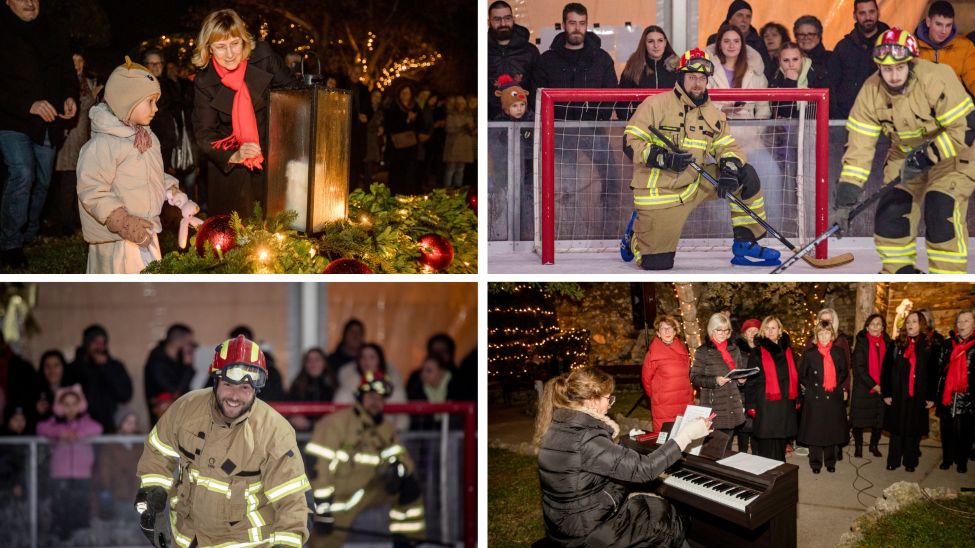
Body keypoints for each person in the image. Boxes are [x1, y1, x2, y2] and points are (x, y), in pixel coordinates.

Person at [135, 335, 310, 547]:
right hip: (187, 539)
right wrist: (153, 494)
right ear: (216, 380)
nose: (235, 396)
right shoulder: (186, 409)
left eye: (245, 388)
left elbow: (292, 503)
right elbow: (158, 451)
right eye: (228, 384)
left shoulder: (274, 432)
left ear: (256, 389)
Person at [829, 27, 975, 274]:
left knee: (941, 211)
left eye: (899, 68)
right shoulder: (870, 93)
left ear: (911, 61)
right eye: (887, 69)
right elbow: (858, 150)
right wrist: (845, 201)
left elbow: (966, 128)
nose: (893, 75)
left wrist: (929, 155)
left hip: (952, 153)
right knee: (891, 213)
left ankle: (947, 275)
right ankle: (898, 272)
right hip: (905, 155)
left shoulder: (937, 77)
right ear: (878, 67)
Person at [623, 48, 780, 270]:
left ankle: (746, 244)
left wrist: (729, 168)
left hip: (695, 182)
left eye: (702, 78)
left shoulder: (713, 114)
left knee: (746, 175)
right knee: (657, 265)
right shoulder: (655, 104)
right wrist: (663, 159)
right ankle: (636, 237)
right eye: (691, 77)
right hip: (661, 193)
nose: (697, 83)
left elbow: (727, 146)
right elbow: (630, 143)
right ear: (680, 78)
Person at [534, 367, 711, 547]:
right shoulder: (587, 438)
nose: (610, 404)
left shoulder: (558, 426)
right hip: (586, 534)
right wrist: (686, 436)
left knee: (649, 504)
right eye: (608, 398)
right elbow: (645, 469)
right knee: (668, 518)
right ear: (591, 400)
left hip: (563, 525)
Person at [77, 56, 201, 273]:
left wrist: (172, 191)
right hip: (117, 238)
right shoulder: (104, 144)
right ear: (127, 101)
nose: (155, 108)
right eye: (149, 102)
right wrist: (122, 221)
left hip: (146, 229)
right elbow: (92, 190)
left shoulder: (146, 138)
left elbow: (151, 174)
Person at [192, 9, 299, 216]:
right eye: (221, 47)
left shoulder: (264, 56)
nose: (230, 54)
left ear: (244, 41)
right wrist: (235, 154)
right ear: (209, 48)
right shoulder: (205, 81)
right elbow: (205, 135)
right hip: (231, 170)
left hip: (273, 159)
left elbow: (293, 94)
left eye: (235, 44)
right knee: (236, 235)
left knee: (279, 227)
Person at [306, 371, 426, 547]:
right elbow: (318, 468)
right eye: (371, 396)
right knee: (325, 542)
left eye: (380, 398)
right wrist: (322, 509)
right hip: (336, 498)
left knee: (408, 488)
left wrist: (398, 472)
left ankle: (407, 541)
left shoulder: (386, 428)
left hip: (368, 490)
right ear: (360, 396)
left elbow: (402, 458)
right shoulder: (336, 423)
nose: (375, 402)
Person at [0, 0, 78, 268]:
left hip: (49, 121)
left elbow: (67, 71)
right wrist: (28, 104)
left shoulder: (53, 30)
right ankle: (10, 242)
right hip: (11, 121)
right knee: (22, 173)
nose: (30, 3)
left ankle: (29, 232)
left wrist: (69, 96)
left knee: (43, 181)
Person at [36, 384, 103, 541]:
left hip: (82, 475)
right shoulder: (55, 424)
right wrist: (60, 434)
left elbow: (97, 428)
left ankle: (80, 541)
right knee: (60, 510)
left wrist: (76, 434)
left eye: (74, 404)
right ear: (59, 406)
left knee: (80, 510)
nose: (71, 408)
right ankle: (61, 541)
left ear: (80, 405)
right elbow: (40, 428)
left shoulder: (85, 422)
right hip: (60, 475)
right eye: (66, 404)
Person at [534, 2, 618, 120]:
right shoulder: (547, 60)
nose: (577, 28)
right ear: (563, 25)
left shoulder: (602, 59)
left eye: (582, 23)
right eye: (572, 23)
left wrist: (600, 120)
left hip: (594, 131)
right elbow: (537, 96)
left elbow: (611, 93)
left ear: (586, 25)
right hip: (555, 131)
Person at [882, 311, 938, 471]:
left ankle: (910, 462)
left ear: (921, 325)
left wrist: (931, 396)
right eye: (908, 322)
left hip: (918, 396)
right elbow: (886, 370)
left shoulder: (930, 346)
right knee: (896, 429)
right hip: (898, 394)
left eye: (914, 321)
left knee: (913, 430)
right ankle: (893, 460)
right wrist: (886, 393)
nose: (910, 324)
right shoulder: (896, 344)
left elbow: (934, 373)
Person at [51, 51, 100, 236]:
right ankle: (65, 223)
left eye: (80, 60)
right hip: (69, 141)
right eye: (73, 61)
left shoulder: (86, 82)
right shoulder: (63, 83)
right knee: (67, 183)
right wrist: (92, 96)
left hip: (84, 141)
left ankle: (76, 220)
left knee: (81, 184)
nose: (77, 64)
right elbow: (77, 108)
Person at [798, 322, 850, 473]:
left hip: (833, 396)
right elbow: (802, 375)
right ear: (816, 336)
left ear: (832, 335)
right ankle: (815, 462)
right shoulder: (810, 354)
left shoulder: (838, 352)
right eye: (821, 333)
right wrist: (812, 388)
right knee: (815, 431)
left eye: (827, 333)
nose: (824, 336)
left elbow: (844, 371)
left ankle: (830, 461)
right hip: (815, 397)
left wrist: (835, 383)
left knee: (831, 430)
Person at [745, 316, 799, 461]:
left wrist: (797, 397)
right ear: (763, 331)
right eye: (767, 328)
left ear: (780, 330)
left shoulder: (788, 350)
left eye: (773, 328)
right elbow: (751, 381)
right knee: (766, 442)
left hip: (785, 402)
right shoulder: (757, 352)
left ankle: (780, 468)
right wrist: (750, 404)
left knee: (781, 439)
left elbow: (794, 375)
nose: (770, 331)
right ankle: (766, 470)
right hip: (765, 402)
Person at [692, 313, 748, 451]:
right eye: (719, 330)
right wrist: (715, 380)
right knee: (715, 448)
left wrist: (741, 380)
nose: (723, 333)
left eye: (726, 330)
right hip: (714, 404)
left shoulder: (734, 349)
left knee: (727, 447)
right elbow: (694, 378)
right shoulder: (703, 351)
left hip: (732, 403)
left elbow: (738, 372)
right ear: (712, 330)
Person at [64, 324, 133, 434]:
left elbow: (125, 395)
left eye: (102, 343)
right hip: (80, 430)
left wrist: (105, 368)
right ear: (87, 343)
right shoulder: (73, 368)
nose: (99, 347)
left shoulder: (115, 367)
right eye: (95, 342)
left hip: (110, 428)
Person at [828, 0, 889, 119]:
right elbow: (831, 84)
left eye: (871, 12)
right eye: (862, 13)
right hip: (847, 119)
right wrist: (838, 115)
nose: (868, 17)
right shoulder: (843, 47)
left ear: (878, 12)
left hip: (885, 118)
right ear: (854, 16)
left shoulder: (893, 44)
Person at [334, 343, 408, 432]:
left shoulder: (395, 389)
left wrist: (392, 435)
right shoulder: (346, 391)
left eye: (371, 357)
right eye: (362, 357)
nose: (366, 361)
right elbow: (338, 418)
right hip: (354, 439)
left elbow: (402, 420)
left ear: (380, 360)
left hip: (386, 438)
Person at [935, 308, 974, 473]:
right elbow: (938, 369)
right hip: (948, 394)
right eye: (959, 321)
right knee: (947, 429)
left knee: (965, 431)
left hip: (969, 396)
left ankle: (961, 461)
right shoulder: (946, 344)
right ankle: (947, 458)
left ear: (973, 324)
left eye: (966, 320)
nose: (962, 324)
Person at [487, 0, 540, 120]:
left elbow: (538, 89)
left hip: (525, 121)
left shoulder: (530, 51)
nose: (503, 23)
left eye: (507, 18)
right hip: (491, 124)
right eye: (497, 19)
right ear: (489, 22)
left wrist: (531, 118)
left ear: (513, 20)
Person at [641, 315, 693, 435]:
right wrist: (657, 397)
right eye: (663, 328)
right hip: (664, 406)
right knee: (664, 439)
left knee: (683, 438)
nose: (667, 331)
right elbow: (646, 380)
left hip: (684, 402)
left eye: (670, 328)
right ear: (658, 333)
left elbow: (686, 377)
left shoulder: (683, 350)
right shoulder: (653, 354)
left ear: (675, 331)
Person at [849, 313, 892, 458]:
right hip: (864, 388)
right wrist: (874, 385)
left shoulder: (888, 343)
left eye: (878, 324)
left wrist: (884, 385)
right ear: (867, 327)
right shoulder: (862, 343)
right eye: (872, 324)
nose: (875, 326)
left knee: (879, 420)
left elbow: (891, 366)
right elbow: (858, 368)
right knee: (859, 420)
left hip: (883, 388)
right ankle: (859, 446)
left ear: (883, 328)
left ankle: (874, 445)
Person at [706, 24, 769, 119]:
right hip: (717, 129)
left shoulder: (755, 71)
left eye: (736, 41)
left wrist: (757, 132)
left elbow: (763, 110)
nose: (731, 45)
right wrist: (721, 109)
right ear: (719, 44)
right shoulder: (707, 71)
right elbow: (701, 104)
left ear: (742, 45)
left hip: (746, 132)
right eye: (727, 41)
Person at [617, 25, 678, 120]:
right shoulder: (633, 67)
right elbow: (622, 102)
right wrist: (630, 122)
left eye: (660, 41)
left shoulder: (678, 68)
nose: (656, 45)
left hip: (672, 125)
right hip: (641, 125)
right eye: (651, 41)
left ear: (665, 43)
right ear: (644, 44)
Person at [915, 1, 975, 96]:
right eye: (938, 24)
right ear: (928, 22)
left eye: (948, 25)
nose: (944, 31)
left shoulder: (965, 45)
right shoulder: (912, 45)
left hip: (954, 104)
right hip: (922, 103)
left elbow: (973, 79)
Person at [143, 323, 196, 425]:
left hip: (179, 412)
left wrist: (187, 365)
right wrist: (188, 366)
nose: (191, 345)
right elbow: (176, 390)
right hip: (162, 415)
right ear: (180, 341)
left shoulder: (180, 358)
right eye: (189, 341)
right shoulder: (157, 359)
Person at [94, 406, 141, 520]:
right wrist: (106, 488)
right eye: (128, 422)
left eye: (134, 423)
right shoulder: (110, 445)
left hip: (136, 494)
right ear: (120, 423)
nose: (131, 426)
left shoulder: (139, 445)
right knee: (120, 525)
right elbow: (104, 468)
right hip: (118, 493)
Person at [768, 42, 830, 119]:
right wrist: (790, 82)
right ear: (779, 62)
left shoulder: (819, 74)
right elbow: (784, 113)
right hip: (788, 129)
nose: (791, 64)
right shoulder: (775, 79)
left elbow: (830, 108)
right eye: (786, 60)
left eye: (795, 59)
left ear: (801, 59)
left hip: (816, 125)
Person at [384, 83, 424, 195]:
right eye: (403, 93)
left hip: (411, 146)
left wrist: (414, 120)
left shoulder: (415, 107)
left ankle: (406, 195)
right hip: (397, 147)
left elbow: (421, 125)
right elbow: (390, 125)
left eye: (407, 93)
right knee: (396, 172)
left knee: (409, 172)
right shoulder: (393, 106)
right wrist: (406, 120)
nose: (405, 95)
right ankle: (394, 195)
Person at [706, 0, 771, 67]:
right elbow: (709, 67)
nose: (744, 20)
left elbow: (766, 70)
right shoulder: (715, 39)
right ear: (730, 19)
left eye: (748, 16)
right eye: (739, 15)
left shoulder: (758, 42)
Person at [286, 347, 335, 432]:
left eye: (317, 359)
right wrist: (293, 417)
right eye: (309, 360)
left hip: (329, 432)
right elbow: (289, 407)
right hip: (302, 433)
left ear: (324, 363)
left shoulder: (333, 385)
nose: (313, 363)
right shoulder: (297, 385)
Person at [406, 355, 453, 431]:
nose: (423, 374)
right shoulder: (416, 387)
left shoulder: (455, 387)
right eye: (422, 370)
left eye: (429, 370)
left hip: (452, 432)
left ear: (441, 372)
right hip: (427, 434)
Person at [443, 94, 475, 187]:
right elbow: (448, 129)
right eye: (459, 103)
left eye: (463, 103)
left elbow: (472, 129)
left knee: (460, 170)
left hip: (465, 145)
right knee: (450, 169)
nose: (461, 105)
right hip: (453, 145)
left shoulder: (468, 115)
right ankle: (447, 190)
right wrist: (462, 128)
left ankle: (458, 191)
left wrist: (471, 129)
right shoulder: (451, 115)